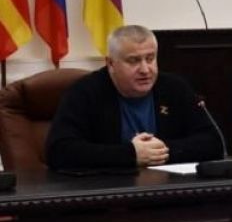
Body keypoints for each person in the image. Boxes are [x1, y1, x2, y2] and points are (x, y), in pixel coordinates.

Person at [45, 25, 222, 171]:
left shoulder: (174, 88)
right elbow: (59, 151)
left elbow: (214, 143)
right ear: (110, 63)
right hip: (107, 193)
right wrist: (131, 154)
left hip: (168, 189)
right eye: (133, 61)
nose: (145, 69)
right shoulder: (85, 92)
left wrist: (161, 151)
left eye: (150, 59)